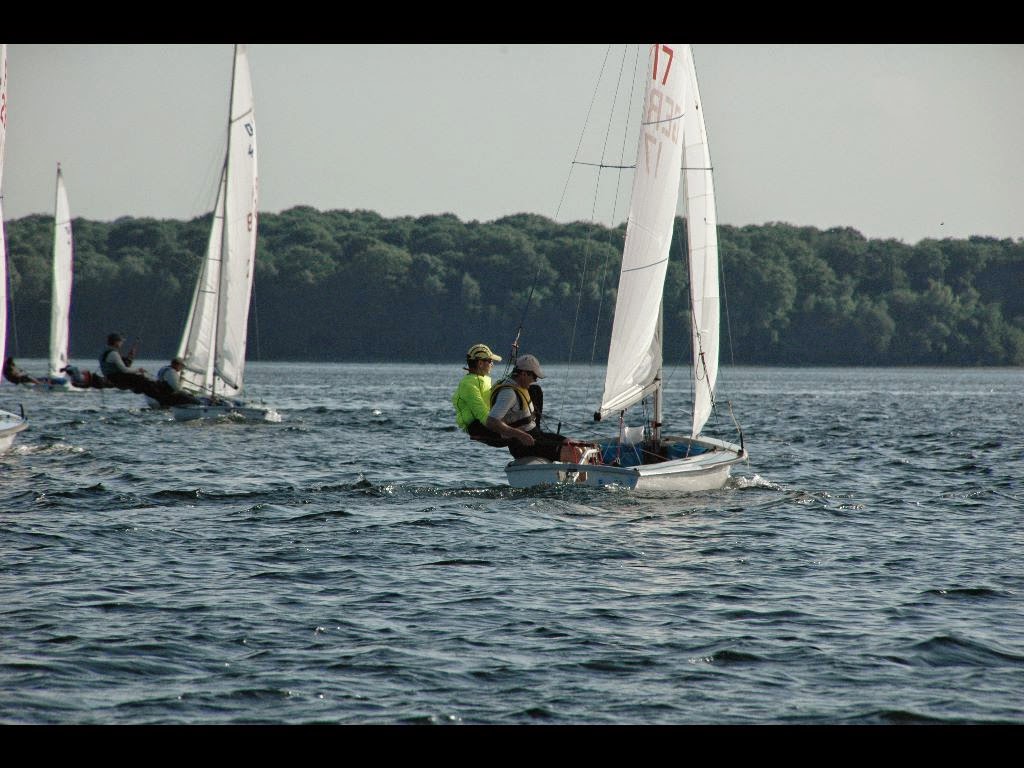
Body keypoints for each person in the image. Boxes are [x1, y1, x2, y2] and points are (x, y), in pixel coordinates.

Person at [486, 353, 590, 463]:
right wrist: (521, 435)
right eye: (534, 376)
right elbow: (491, 422)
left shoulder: (518, 385)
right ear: (524, 374)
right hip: (522, 445)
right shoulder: (509, 393)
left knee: (577, 445)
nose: (536, 380)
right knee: (576, 453)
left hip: (536, 435)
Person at [451, 343, 508, 446]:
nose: (492, 365)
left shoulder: (484, 379)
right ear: (480, 363)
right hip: (477, 427)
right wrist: (508, 430)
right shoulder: (468, 384)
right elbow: (481, 413)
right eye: (490, 361)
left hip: (489, 421)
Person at [98, 333, 160, 397]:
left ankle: (155, 392)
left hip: (112, 378)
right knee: (142, 380)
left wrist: (130, 357)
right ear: (116, 342)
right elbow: (125, 370)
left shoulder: (104, 352)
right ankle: (159, 395)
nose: (122, 343)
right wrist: (138, 370)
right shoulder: (113, 354)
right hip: (118, 379)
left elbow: (125, 364)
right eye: (121, 341)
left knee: (142, 381)